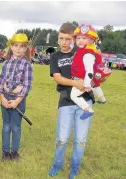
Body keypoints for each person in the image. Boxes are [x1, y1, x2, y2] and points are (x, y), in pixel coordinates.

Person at [48, 22, 95, 179]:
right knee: (62, 138)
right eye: (61, 38)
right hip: (66, 102)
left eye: (68, 39)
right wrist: (76, 83)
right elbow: (58, 78)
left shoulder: (83, 52)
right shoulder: (55, 56)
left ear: (74, 39)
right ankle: (57, 165)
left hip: (85, 101)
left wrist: (92, 81)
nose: (64, 42)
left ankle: (74, 168)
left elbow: (93, 71)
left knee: (80, 140)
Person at [0, 33, 33, 162]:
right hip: (5, 98)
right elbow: (0, 81)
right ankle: (5, 152)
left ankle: (14, 152)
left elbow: (27, 85)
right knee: (6, 126)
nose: (18, 48)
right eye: (15, 45)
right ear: (11, 47)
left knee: (16, 127)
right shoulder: (6, 64)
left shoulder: (27, 65)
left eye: (22, 46)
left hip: (19, 100)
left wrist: (17, 100)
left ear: (26, 48)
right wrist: (2, 98)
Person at [70, 24, 111, 119]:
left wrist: (87, 84)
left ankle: (88, 110)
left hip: (85, 79)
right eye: (78, 37)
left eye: (84, 38)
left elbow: (89, 69)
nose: (80, 40)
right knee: (96, 86)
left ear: (92, 40)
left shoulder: (88, 53)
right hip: (93, 77)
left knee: (74, 96)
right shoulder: (88, 49)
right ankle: (103, 99)